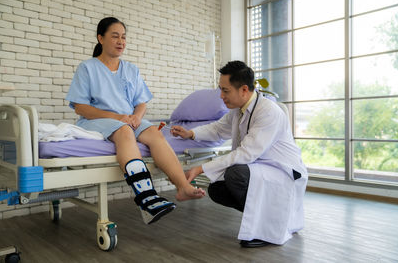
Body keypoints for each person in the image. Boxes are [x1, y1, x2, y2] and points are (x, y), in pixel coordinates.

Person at [66, 17, 205, 225]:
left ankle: (183, 187)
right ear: (100, 38)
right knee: (124, 132)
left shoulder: (131, 69)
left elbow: (141, 103)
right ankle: (146, 196)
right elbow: (80, 107)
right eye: (115, 36)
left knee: (155, 134)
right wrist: (119, 118)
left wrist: (136, 118)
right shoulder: (87, 68)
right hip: (98, 119)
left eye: (123, 37)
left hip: (129, 119)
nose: (121, 41)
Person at [171, 61, 308, 248]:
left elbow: (246, 154)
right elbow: (218, 129)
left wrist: (200, 169)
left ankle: (271, 226)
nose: (221, 96)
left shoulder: (268, 111)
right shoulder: (237, 111)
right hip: (260, 168)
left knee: (235, 173)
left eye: (225, 91)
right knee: (217, 190)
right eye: (221, 90)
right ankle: (269, 220)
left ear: (244, 89)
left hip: (282, 171)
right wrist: (191, 133)